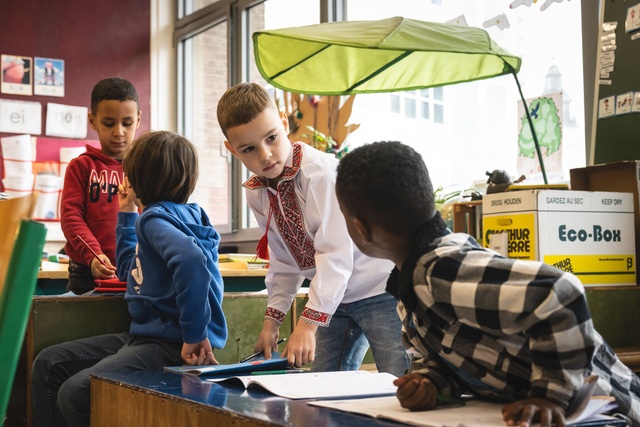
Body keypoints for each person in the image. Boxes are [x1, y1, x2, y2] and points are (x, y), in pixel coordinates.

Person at [334, 140, 640, 427]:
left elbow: (558, 292)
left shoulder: (439, 271)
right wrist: (430, 381)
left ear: (360, 229)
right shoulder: (412, 282)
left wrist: (551, 396)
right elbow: (463, 353)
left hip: (615, 412)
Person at [31, 131, 227, 427]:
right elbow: (128, 271)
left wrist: (194, 334)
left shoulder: (154, 219)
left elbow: (192, 261)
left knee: (74, 394)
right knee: (49, 363)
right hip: (145, 338)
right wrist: (125, 214)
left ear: (137, 179)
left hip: (169, 345)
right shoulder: (181, 216)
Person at [217, 82, 408, 376]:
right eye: (249, 149)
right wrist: (272, 322)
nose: (266, 155)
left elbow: (335, 254)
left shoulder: (321, 173)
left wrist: (306, 324)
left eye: (271, 138)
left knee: (400, 379)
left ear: (283, 123)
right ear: (232, 150)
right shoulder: (256, 192)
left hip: (379, 288)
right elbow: (284, 261)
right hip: (332, 300)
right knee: (322, 384)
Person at [60, 77, 141, 294]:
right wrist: (93, 254)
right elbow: (71, 218)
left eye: (127, 122)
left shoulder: (145, 170)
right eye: (108, 123)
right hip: (86, 271)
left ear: (138, 119)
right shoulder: (81, 167)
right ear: (92, 120)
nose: (119, 132)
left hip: (138, 270)